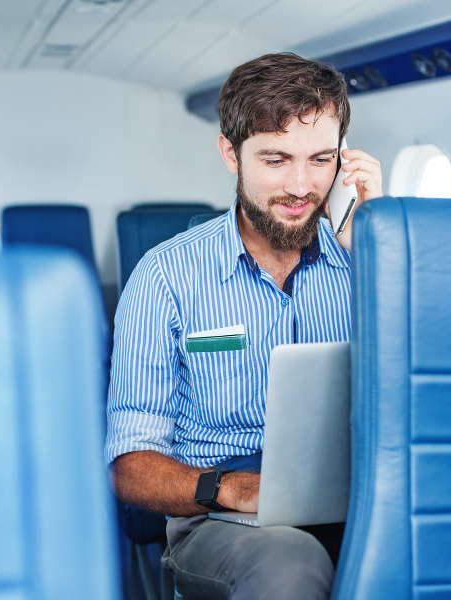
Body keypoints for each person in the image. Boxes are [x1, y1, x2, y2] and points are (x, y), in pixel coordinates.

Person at [106, 52, 383, 600]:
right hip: (218, 515)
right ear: (230, 154)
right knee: (290, 563)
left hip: (362, 493)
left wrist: (379, 252)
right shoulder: (164, 277)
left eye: (321, 159)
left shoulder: (366, 260)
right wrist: (226, 488)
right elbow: (130, 467)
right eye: (276, 160)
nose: (302, 186)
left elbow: (426, 400)